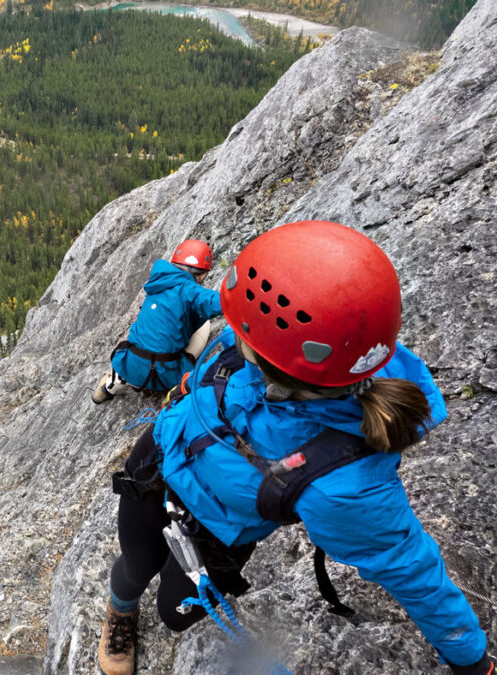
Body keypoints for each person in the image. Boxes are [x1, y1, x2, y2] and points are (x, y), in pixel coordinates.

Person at [97, 221, 492, 675]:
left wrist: (473, 661)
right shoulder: (296, 346)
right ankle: (120, 611)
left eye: (241, 333)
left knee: (174, 612)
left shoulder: (343, 483)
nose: (231, 334)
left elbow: (410, 569)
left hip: (217, 528)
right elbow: (210, 371)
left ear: (278, 365)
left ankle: (135, 602)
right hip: (159, 460)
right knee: (134, 564)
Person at [93, 239, 221, 404]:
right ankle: (176, 388)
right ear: (203, 274)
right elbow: (217, 302)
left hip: (131, 366)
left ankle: (110, 387)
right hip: (166, 374)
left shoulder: (158, 279)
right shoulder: (191, 290)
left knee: (145, 334)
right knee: (204, 323)